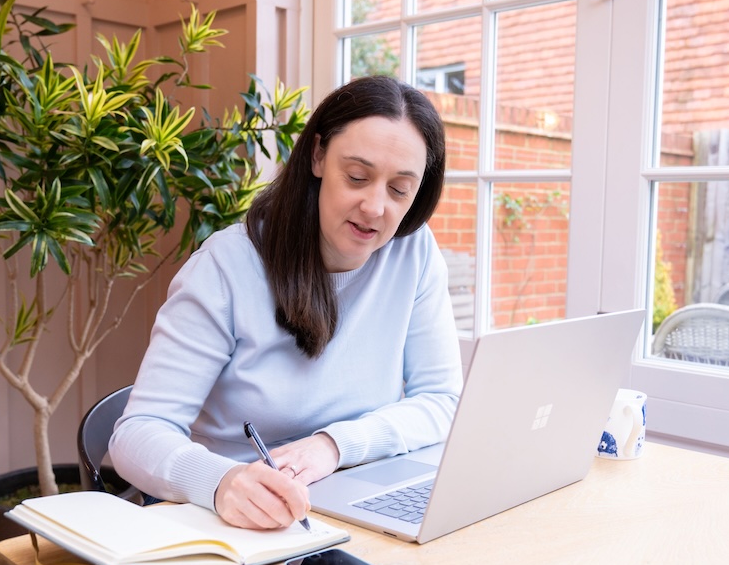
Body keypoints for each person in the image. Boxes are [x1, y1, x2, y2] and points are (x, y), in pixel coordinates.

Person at [109, 75, 463, 531]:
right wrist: (221, 482)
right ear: (317, 155)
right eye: (357, 177)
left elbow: (441, 399)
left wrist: (334, 446)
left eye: (399, 189)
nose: (376, 207)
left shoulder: (412, 251)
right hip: (240, 519)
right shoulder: (226, 266)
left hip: (350, 497)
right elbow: (136, 434)